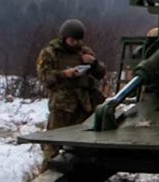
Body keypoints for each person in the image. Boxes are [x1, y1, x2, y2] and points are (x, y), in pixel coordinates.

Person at [35, 19, 106, 168]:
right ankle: (47, 171)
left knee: (85, 143)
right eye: (72, 40)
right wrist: (64, 74)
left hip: (84, 104)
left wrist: (93, 63)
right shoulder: (50, 53)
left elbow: (100, 73)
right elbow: (45, 77)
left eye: (77, 40)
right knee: (53, 142)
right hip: (62, 105)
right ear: (64, 37)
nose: (74, 43)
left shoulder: (85, 51)